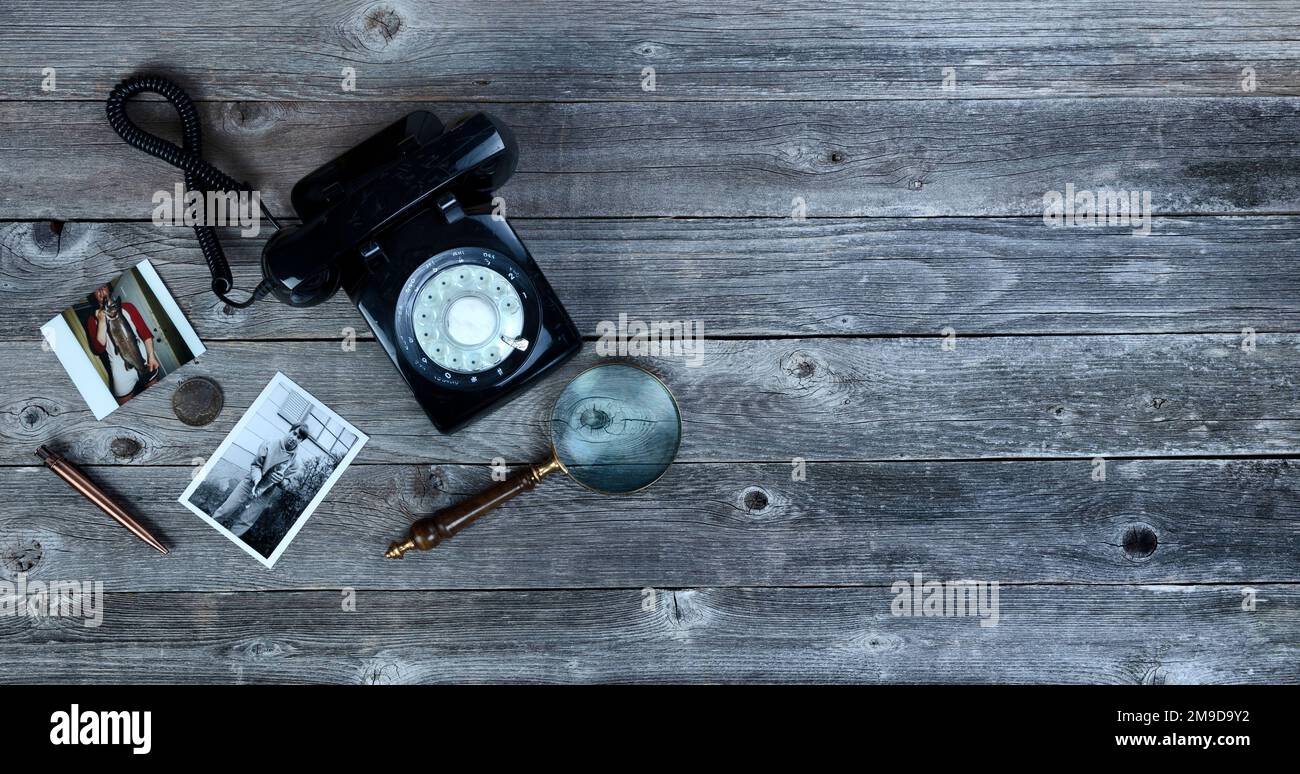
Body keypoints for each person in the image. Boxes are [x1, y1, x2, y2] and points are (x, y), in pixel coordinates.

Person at [213, 424, 310, 538]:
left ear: (301, 441)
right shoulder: (270, 443)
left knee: (246, 521)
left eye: (299, 438)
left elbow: (286, 483)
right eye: (294, 433)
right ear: (290, 431)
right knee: (226, 509)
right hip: (250, 482)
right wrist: (257, 481)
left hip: (267, 492)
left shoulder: (295, 463)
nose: (294, 438)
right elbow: (255, 465)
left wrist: (281, 481)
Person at [84, 285, 161, 403]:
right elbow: (98, 349)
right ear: (92, 294)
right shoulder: (92, 320)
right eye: (96, 288)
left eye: (103, 286)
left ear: (108, 288)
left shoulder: (127, 307)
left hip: (144, 360)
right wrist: (101, 322)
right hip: (120, 370)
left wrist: (151, 356)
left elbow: (145, 333)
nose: (100, 290)